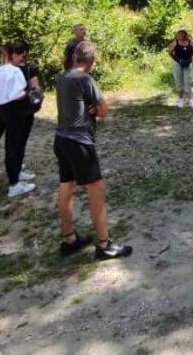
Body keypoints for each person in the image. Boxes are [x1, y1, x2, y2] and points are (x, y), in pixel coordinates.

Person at [54, 41, 133, 261]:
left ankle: (70, 239)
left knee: (67, 186)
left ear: (74, 58)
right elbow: (103, 110)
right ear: (92, 62)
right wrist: (93, 108)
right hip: (80, 141)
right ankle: (104, 244)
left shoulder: (63, 78)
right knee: (96, 188)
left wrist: (89, 107)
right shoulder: (86, 79)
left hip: (61, 139)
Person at [0, 40, 39, 198]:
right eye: (22, 53)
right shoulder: (26, 70)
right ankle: (14, 183)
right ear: (18, 54)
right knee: (14, 147)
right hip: (18, 113)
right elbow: (34, 90)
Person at [167, 28, 193, 109]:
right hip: (177, 63)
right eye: (180, 33)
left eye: (183, 33)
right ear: (177, 34)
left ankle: (191, 100)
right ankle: (181, 100)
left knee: (189, 81)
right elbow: (170, 52)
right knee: (178, 81)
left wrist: (188, 60)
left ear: (186, 34)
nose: (181, 35)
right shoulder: (175, 42)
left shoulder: (190, 42)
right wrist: (177, 60)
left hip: (188, 63)